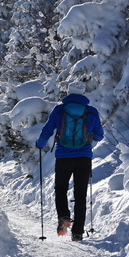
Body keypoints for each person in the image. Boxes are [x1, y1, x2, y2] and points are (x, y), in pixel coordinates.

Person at [36, 81, 103, 241]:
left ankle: (64, 217)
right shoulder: (91, 112)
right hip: (84, 157)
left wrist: (40, 143)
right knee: (80, 194)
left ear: (69, 92)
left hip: (63, 156)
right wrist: (89, 137)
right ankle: (78, 232)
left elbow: (47, 130)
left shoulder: (59, 110)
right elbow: (100, 135)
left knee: (60, 190)